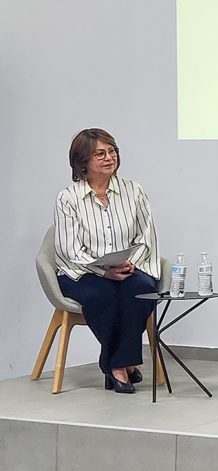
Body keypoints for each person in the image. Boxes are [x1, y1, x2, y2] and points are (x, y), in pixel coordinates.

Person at [54, 128, 161, 394]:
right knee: (102, 297)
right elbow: (69, 250)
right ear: (83, 162)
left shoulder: (133, 190)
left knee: (141, 289)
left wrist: (131, 263)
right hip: (82, 271)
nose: (108, 158)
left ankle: (114, 363)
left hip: (128, 267)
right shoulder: (68, 198)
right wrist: (104, 272)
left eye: (112, 151)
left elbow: (146, 235)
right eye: (100, 153)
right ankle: (122, 366)